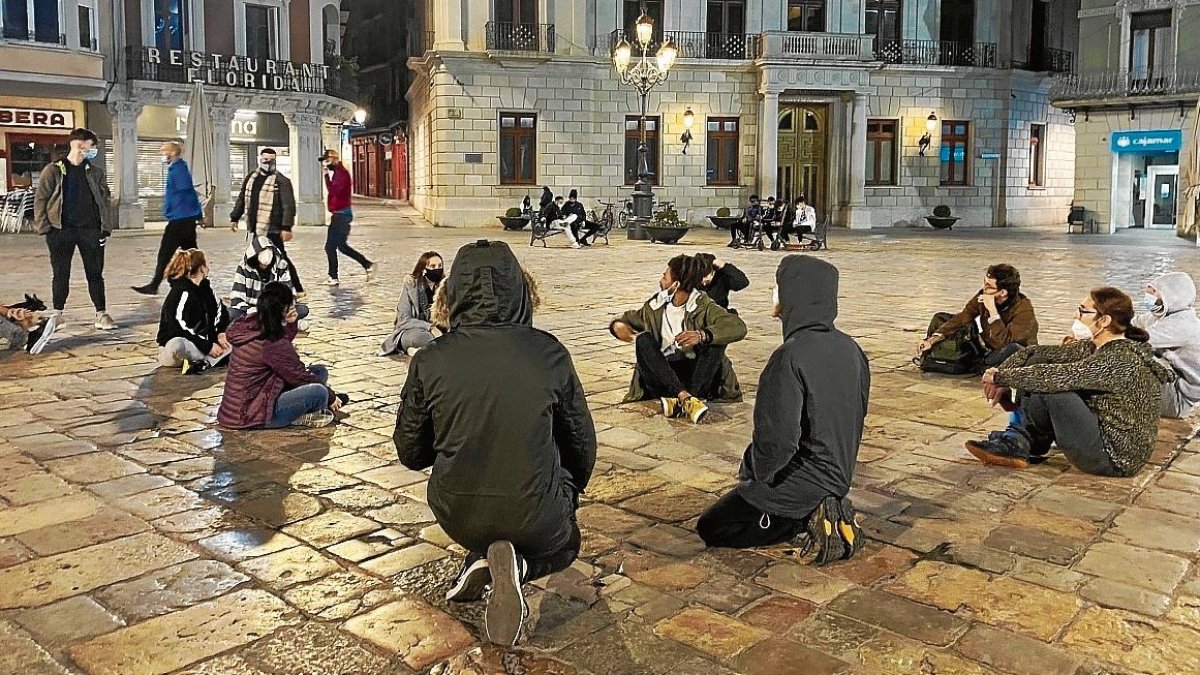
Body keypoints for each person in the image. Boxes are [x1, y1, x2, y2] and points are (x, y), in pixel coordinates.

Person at [394, 240, 596, 646]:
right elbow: (582, 446)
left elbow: (411, 452)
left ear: (453, 295)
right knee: (566, 543)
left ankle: (481, 555)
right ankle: (518, 565)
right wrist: (567, 489)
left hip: (458, 513)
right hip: (537, 512)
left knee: (495, 513)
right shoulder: (548, 352)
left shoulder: (430, 359)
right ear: (522, 290)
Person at [697, 256, 869, 564]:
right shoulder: (852, 349)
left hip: (805, 479)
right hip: (840, 474)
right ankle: (822, 504)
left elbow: (779, 440)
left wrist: (756, 472)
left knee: (714, 525)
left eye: (779, 288)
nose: (775, 295)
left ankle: (806, 516)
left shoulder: (789, 357)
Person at [967, 287, 1175, 477]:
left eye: (1083, 311)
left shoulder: (1119, 359)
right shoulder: (1095, 346)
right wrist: (1001, 373)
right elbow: (1037, 352)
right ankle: (1022, 441)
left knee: (1054, 387)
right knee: (1039, 364)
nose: (1076, 315)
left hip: (1114, 458)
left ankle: (1020, 441)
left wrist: (998, 378)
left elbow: (1054, 377)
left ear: (1104, 321)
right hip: (1101, 437)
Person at [609, 254, 748, 423]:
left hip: (696, 378)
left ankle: (685, 398)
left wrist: (702, 335)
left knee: (714, 343)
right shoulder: (656, 305)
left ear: (676, 284)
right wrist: (618, 326)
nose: (661, 280)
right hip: (663, 377)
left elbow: (737, 326)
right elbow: (628, 319)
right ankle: (686, 399)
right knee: (643, 340)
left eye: (664, 276)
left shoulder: (703, 306)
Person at [218, 282, 347, 429]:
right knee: (319, 392)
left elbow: (284, 354)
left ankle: (312, 408)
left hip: (247, 403)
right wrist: (331, 396)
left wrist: (291, 323)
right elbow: (297, 373)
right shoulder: (271, 343)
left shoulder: (256, 321)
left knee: (319, 371)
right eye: (289, 305)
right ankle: (299, 417)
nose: (294, 307)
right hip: (251, 416)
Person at [33, 127, 118, 330]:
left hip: (90, 231)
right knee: (61, 273)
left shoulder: (95, 172)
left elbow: (104, 201)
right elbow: (41, 200)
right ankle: (58, 313)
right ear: (79, 144)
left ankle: (101, 313)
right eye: (91, 145)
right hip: (60, 231)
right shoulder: (53, 170)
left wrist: (105, 228)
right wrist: (46, 228)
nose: (93, 149)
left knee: (95, 273)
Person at [916, 264, 1038, 369]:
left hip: (1014, 354)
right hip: (989, 350)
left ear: (1003, 292)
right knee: (944, 318)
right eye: (984, 283)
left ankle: (983, 364)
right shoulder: (983, 295)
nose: (984, 288)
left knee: (1013, 349)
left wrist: (992, 311)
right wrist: (933, 339)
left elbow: (1005, 343)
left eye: (989, 286)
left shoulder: (1024, 310)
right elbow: (964, 316)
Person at [230, 148, 304, 298]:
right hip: (257, 227)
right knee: (258, 257)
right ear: (260, 159)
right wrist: (235, 217)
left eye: (271, 160)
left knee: (281, 258)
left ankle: (296, 288)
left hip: (273, 228)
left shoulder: (281, 181)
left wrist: (286, 227)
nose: (268, 163)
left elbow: (288, 205)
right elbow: (242, 199)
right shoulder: (251, 178)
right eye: (265, 160)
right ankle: (258, 288)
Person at [132, 140, 204, 295]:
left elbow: (188, 192)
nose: (162, 153)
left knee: (165, 253)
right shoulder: (177, 168)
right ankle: (200, 280)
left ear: (172, 152)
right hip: (184, 218)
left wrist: (196, 213)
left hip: (180, 219)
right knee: (191, 252)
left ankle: (154, 285)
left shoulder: (179, 170)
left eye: (164, 150)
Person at [1134, 272, 1200, 418]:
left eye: (1153, 293)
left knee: (1129, 360)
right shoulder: (1159, 316)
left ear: (1171, 296)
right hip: (1170, 383)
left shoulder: (1183, 324)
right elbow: (1131, 324)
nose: (1148, 298)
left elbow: (1134, 340)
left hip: (1179, 399)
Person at [156, 249, 231, 375]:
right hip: (181, 348)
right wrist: (207, 346)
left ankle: (204, 361)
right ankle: (209, 359)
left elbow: (221, 311)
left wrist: (221, 333)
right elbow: (177, 326)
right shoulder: (181, 291)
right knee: (177, 344)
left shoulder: (206, 289)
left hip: (203, 345)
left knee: (236, 339)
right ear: (202, 268)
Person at [319, 149, 376, 286]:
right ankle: (367, 265)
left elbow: (335, 191)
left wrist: (326, 177)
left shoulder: (341, 174)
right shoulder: (339, 173)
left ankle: (333, 276)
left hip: (341, 215)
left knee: (330, 247)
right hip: (340, 214)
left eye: (327, 161)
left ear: (334, 159)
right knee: (342, 247)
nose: (325, 165)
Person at [380, 251, 445, 357]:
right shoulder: (411, 286)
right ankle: (427, 349)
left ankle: (420, 351)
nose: (437, 269)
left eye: (440, 266)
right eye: (432, 266)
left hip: (440, 330)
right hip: (413, 331)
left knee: (449, 337)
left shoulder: (444, 286)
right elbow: (403, 320)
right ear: (424, 269)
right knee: (425, 338)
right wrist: (430, 327)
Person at [229, 236, 308, 322]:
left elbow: (288, 295)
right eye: (263, 251)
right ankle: (278, 323)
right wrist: (250, 310)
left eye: (270, 250)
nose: (267, 254)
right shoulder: (243, 268)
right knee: (230, 313)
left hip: (275, 311)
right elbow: (237, 298)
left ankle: (263, 323)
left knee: (303, 309)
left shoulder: (281, 266)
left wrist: (277, 308)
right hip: (250, 310)